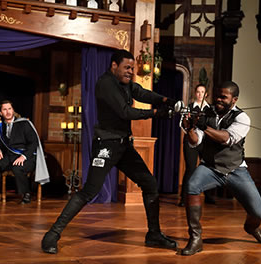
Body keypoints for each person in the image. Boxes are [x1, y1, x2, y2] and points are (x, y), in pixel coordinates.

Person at [41, 49, 178, 254]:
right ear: (114, 66)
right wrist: (157, 113)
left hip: (123, 145)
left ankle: (154, 235)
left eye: (132, 68)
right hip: (106, 145)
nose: (130, 71)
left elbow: (141, 92)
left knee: (150, 183)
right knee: (89, 191)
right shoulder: (105, 83)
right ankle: (52, 235)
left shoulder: (125, 83)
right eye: (127, 67)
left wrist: (166, 100)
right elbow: (125, 112)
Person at [180, 81, 261, 256]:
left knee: (258, 213)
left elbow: (226, 139)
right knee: (192, 186)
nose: (218, 100)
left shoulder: (242, 118)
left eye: (224, 97)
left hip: (236, 170)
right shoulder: (206, 114)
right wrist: (190, 129)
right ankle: (195, 238)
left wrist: (203, 127)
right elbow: (195, 141)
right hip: (210, 167)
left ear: (234, 99)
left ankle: (251, 228)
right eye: (217, 96)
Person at [0, 100, 49, 205]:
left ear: (13, 110)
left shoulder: (24, 123)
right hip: (10, 156)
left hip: (27, 157)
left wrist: (23, 156)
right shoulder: (1, 127)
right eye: (4, 109)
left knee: (17, 167)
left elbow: (34, 143)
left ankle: (26, 194)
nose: (8, 112)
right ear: (0, 113)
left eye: (9, 109)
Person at [178, 84, 216, 207]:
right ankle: (184, 198)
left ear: (206, 94)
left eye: (202, 92)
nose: (200, 94)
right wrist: (190, 128)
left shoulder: (211, 110)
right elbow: (182, 125)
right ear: (195, 93)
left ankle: (209, 196)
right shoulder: (189, 107)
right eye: (198, 92)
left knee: (207, 168)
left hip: (205, 142)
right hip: (190, 142)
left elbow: (213, 126)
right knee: (190, 168)